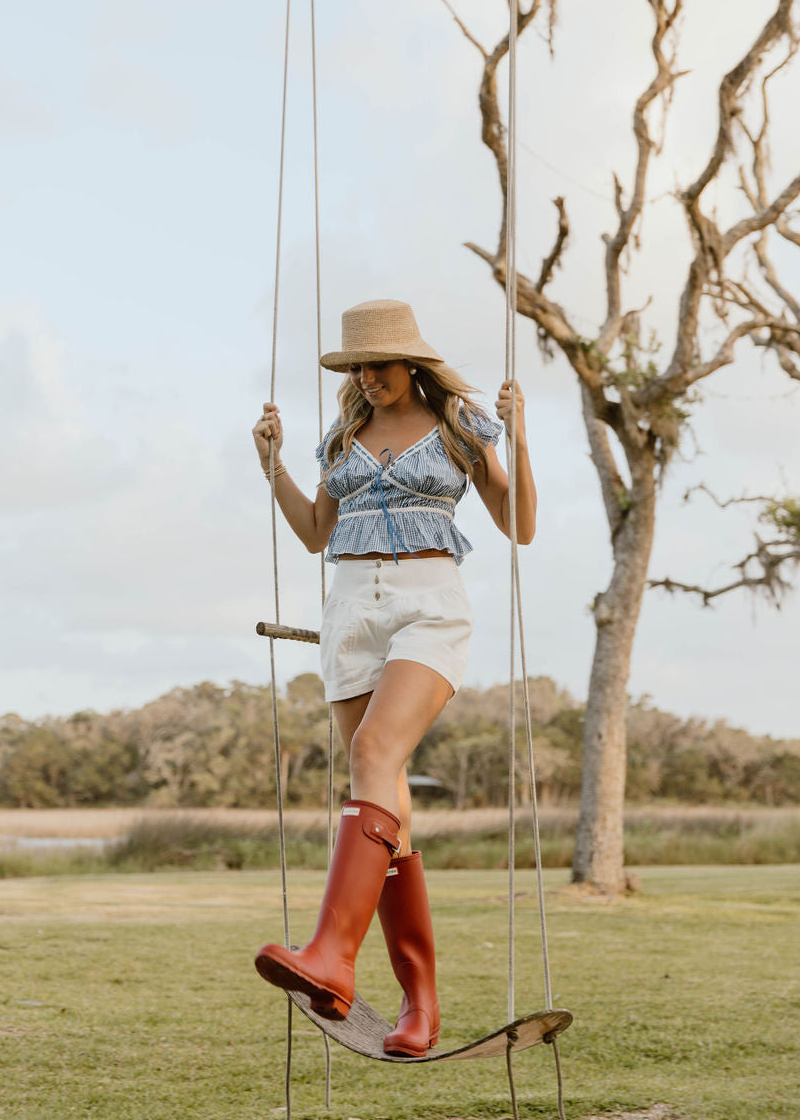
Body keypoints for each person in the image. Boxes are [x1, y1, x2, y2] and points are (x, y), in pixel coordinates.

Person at [251, 298, 537, 1056]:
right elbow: (316, 532)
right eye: (357, 367)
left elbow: (520, 524)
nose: (368, 378)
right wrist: (272, 466)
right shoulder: (342, 437)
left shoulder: (460, 427)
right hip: (350, 609)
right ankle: (420, 1005)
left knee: (376, 755)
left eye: (379, 364)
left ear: (411, 362)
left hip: (427, 603)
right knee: (384, 804)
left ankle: (330, 954)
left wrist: (522, 439)